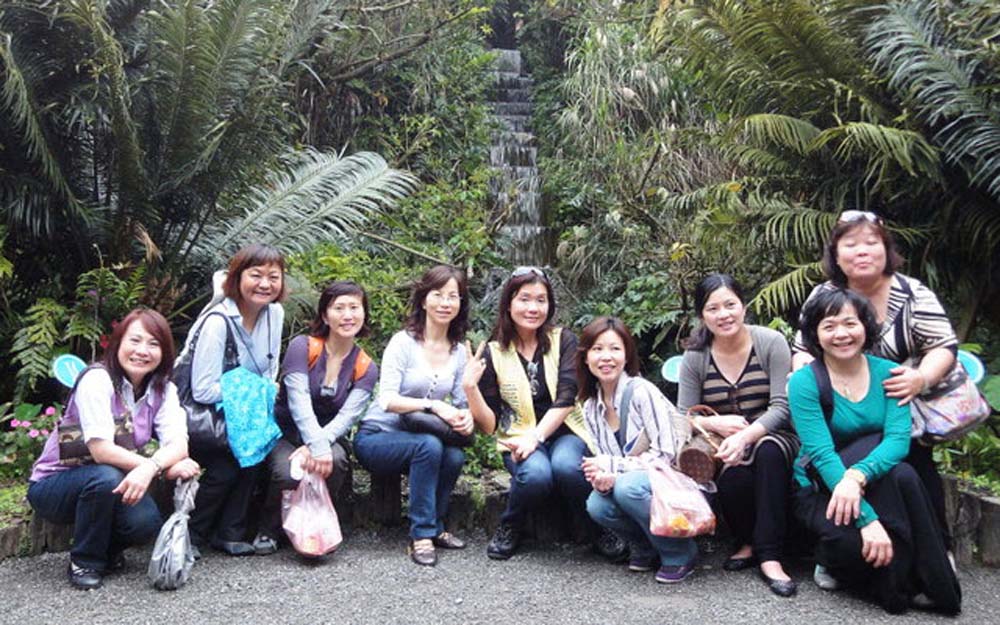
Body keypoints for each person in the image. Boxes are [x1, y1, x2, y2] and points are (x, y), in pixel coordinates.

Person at [791, 211, 959, 573]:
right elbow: (803, 349)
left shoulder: (912, 293)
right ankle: (842, 544)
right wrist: (812, 387)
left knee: (912, 460)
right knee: (831, 457)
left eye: (871, 242)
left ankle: (936, 547)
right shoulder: (824, 295)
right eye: (851, 244)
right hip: (842, 405)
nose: (862, 251)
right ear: (836, 255)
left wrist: (920, 379)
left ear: (887, 249)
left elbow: (944, 345)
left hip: (900, 399)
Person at [789, 287, 960, 614]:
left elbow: (897, 440)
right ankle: (832, 562)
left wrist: (856, 477)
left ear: (865, 326)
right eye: (829, 326)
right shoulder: (805, 382)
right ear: (815, 334)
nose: (841, 334)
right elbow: (822, 454)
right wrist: (867, 520)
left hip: (872, 476)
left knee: (903, 472)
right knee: (851, 547)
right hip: (821, 485)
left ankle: (930, 583)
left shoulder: (889, 374)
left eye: (850, 323)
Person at [28, 309, 201, 589]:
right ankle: (85, 561)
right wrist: (155, 467)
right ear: (118, 343)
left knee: (144, 523)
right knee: (104, 477)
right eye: (135, 340)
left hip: (114, 481)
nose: (142, 351)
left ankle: (107, 550)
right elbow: (101, 451)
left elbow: (179, 444)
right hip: (55, 486)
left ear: (165, 352)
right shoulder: (97, 380)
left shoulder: (163, 390)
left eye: (153, 344)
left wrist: (155, 465)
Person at [463, 266, 624, 561]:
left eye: (541, 300)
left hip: (567, 431)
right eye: (524, 299)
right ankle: (511, 525)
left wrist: (535, 438)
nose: (533, 308)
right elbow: (489, 425)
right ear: (509, 303)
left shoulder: (564, 340)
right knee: (536, 475)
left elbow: (567, 397)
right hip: (518, 437)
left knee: (567, 467)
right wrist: (470, 388)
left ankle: (597, 527)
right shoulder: (493, 351)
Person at [677, 273, 799, 596]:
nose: (724, 315)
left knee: (768, 452)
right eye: (713, 308)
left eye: (730, 305)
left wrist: (747, 436)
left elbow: (782, 405)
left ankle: (770, 557)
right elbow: (682, 416)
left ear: (744, 306)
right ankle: (747, 542)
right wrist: (716, 425)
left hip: (774, 433)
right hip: (724, 443)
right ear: (702, 315)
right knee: (733, 478)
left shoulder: (770, 342)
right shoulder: (696, 355)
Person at [354, 265, 472, 566]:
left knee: (454, 456)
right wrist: (433, 405)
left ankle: (436, 525)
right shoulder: (403, 342)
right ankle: (421, 534)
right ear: (423, 299)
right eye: (438, 295)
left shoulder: (459, 351)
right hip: (377, 436)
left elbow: (461, 403)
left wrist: (466, 416)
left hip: (419, 436)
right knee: (428, 446)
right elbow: (387, 399)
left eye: (453, 296)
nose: (445, 303)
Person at [577, 316, 698, 583]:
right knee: (597, 504)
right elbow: (605, 458)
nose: (606, 357)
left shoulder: (642, 391)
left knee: (627, 488)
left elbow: (665, 455)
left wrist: (614, 471)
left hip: (673, 480)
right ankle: (645, 546)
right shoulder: (590, 407)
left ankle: (680, 553)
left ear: (626, 355)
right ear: (586, 357)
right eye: (597, 349)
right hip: (634, 479)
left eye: (614, 348)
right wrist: (602, 477)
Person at [259, 281, 379, 547]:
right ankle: (270, 528)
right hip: (285, 433)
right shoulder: (303, 347)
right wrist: (315, 445)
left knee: (334, 461)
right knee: (289, 471)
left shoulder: (366, 367)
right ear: (325, 315)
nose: (347, 315)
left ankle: (316, 526)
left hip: (329, 435)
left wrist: (318, 446)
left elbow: (348, 417)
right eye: (339, 308)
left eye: (354, 308)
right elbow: (298, 401)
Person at [184, 243, 286, 556]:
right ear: (237, 277)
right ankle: (191, 535)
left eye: (273, 277)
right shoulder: (217, 321)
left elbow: (269, 370)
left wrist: (258, 395)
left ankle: (230, 532)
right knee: (227, 466)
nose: (265, 284)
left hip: (242, 413)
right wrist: (254, 392)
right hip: (205, 416)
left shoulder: (275, 314)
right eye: (256, 275)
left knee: (256, 448)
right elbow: (202, 389)